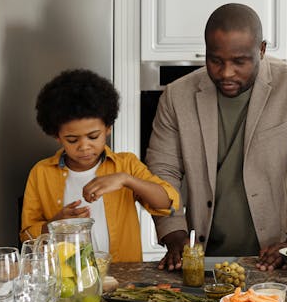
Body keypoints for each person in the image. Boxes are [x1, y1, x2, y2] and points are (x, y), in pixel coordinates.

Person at [148, 3, 287, 271]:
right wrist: (173, 233)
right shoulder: (177, 96)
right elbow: (163, 170)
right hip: (204, 256)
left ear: (262, 50)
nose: (226, 73)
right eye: (216, 60)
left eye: (239, 62)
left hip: (275, 253)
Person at [21, 69, 179, 262]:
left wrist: (126, 180)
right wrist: (56, 225)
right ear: (57, 136)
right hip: (65, 275)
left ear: (108, 128)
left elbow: (167, 203)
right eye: (72, 140)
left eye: (93, 136)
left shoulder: (125, 165)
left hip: (122, 274)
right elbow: (27, 236)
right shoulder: (41, 173)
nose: (84, 146)